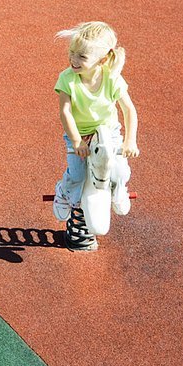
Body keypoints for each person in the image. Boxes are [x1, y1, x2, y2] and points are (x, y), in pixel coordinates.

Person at [52, 21, 139, 223]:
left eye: (82, 56)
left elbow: (129, 110)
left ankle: (119, 189)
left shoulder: (112, 78)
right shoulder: (67, 79)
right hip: (79, 132)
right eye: (72, 52)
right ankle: (63, 191)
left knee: (119, 171)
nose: (73, 59)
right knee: (77, 176)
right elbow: (65, 112)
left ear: (102, 60)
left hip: (108, 131)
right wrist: (76, 141)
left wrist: (130, 141)